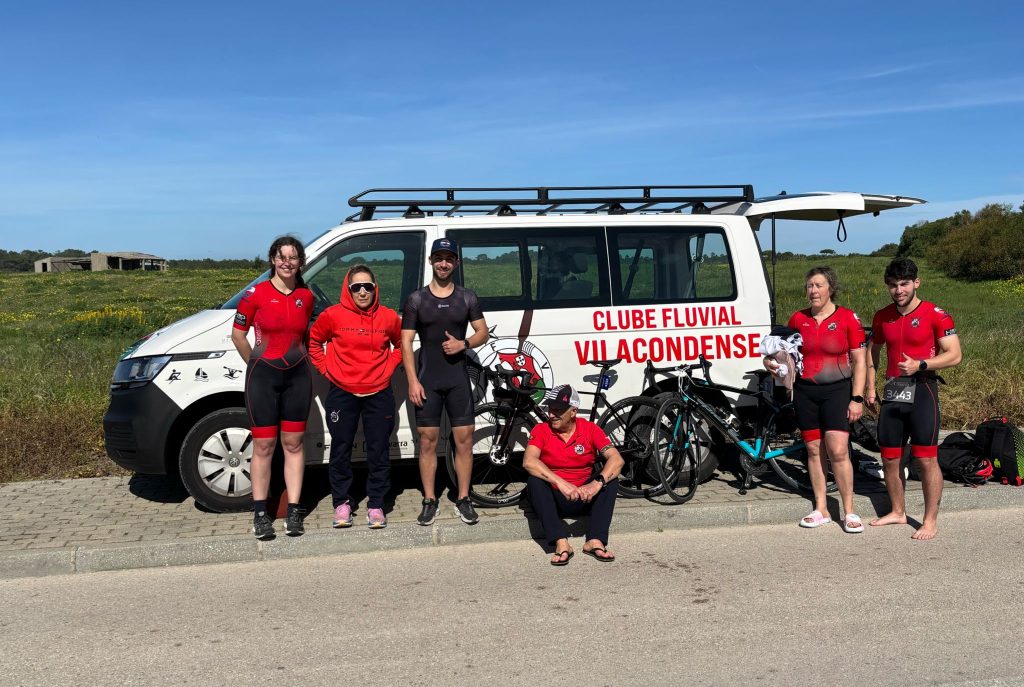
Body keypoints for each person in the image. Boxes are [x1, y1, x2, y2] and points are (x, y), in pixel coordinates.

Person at [765, 266, 867, 533]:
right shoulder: (798, 318)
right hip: (806, 393)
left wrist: (857, 398)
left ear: (830, 288)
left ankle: (849, 511)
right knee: (813, 450)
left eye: (818, 285)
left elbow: (860, 360)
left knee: (837, 450)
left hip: (837, 390)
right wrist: (769, 362)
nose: (813, 291)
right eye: (809, 286)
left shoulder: (847, 318)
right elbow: (777, 350)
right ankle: (821, 508)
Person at [867, 258, 961, 540]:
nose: (899, 290)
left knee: (926, 458)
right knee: (890, 457)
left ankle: (930, 520)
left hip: (923, 388)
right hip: (894, 390)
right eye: (893, 285)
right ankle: (897, 511)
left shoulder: (935, 314)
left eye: (904, 284)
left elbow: (954, 354)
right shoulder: (883, 316)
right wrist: (870, 386)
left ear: (916, 283)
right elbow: (873, 351)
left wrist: (921, 364)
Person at [401, 237, 489, 526]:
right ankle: (429, 499)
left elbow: (482, 332)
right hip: (427, 381)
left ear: (456, 263)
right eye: (438, 258)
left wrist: (463, 344)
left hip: (457, 381)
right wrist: (413, 382)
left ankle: (463, 498)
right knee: (427, 442)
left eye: (449, 258)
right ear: (431, 262)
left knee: (464, 442)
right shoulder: (416, 299)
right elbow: (405, 342)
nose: (443, 263)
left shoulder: (467, 297)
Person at [231, 236, 314, 540]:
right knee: (264, 446)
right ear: (272, 261)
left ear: (300, 262)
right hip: (263, 379)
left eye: (293, 257)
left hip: (298, 378)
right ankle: (260, 514)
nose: (287, 262)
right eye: (281, 257)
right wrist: (255, 363)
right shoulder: (255, 294)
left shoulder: (306, 296)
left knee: (293, 445)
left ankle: (294, 512)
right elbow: (238, 336)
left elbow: (305, 338)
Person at [309, 265, 402, 529]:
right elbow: (314, 342)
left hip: (379, 392)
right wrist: (326, 368)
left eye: (368, 287)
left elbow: (400, 345)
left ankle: (376, 505)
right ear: (347, 289)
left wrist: (389, 367)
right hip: (342, 392)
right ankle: (342, 503)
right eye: (356, 287)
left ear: (376, 289)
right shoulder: (332, 315)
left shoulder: (388, 317)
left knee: (379, 450)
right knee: (340, 449)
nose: (363, 292)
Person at [522, 385, 624, 565]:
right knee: (534, 482)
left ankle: (594, 540)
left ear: (573, 411)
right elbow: (529, 461)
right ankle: (561, 542)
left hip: (584, 496)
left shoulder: (590, 429)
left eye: (558, 410)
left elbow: (617, 459)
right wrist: (560, 482)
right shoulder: (541, 430)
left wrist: (596, 484)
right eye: (550, 408)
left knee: (610, 478)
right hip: (554, 498)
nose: (552, 414)